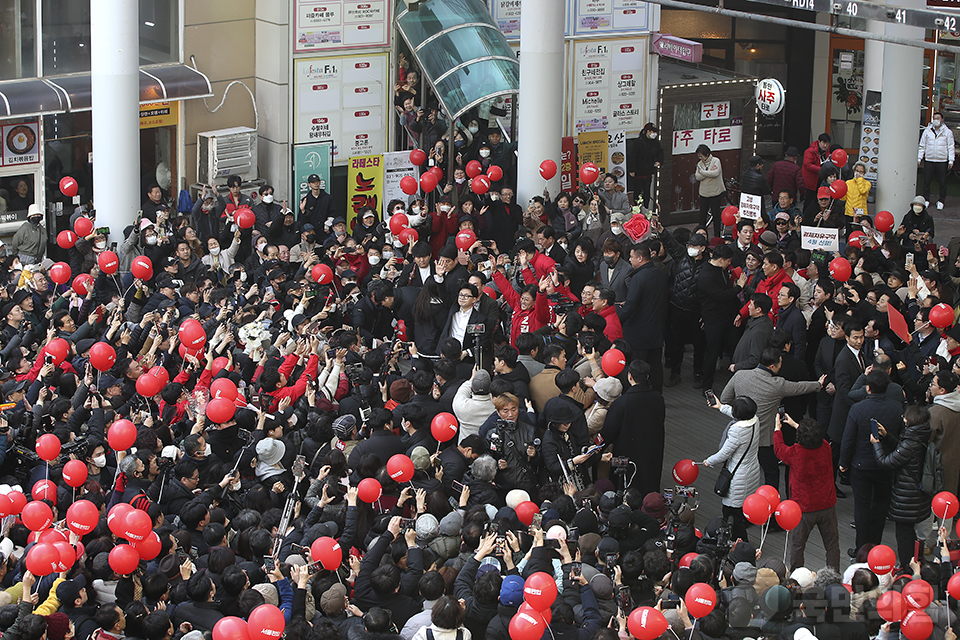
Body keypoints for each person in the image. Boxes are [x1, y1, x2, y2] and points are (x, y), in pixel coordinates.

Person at [720, 348, 824, 491]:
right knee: (771, 473)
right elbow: (799, 387)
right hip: (764, 439)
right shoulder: (777, 384)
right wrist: (818, 384)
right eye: (780, 363)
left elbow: (724, 399)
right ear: (772, 367)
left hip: (741, 435)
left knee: (739, 470)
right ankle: (770, 505)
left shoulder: (740, 375)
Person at [840, 369, 904, 555]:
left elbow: (848, 439)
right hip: (886, 464)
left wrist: (843, 462)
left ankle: (861, 548)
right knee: (881, 504)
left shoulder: (858, 408)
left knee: (862, 506)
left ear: (867, 388)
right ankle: (875, 544)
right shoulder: (897, 407)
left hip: (861, 464)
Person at [774, 414, 840, 570]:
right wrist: (795, 424)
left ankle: (797, 576)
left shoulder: (795, 453)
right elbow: (814, 438)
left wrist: (778, 429)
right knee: (831, 545)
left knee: (798, 546)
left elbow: (778, 449)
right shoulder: (825, 447)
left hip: (803, 509)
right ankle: (834, 574)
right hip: (827, 504)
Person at [871, 405, 933, 569]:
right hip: (917, 495)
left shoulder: (910, 443)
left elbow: (886, 462)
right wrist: (887, 436)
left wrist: (876, 443)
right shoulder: (921, 436)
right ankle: (916, 562)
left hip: (907, 498)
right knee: (911, 533)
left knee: (904, 535)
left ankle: (907, 567)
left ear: (911, 421)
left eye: (905, 417)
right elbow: (902, 451)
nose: (903, 419)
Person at [600, 360, 665, 495]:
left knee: (626, 486)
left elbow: (608, 431)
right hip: (652, 450)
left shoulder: (621, 403)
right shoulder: (657, 398)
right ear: (647, 377)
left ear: (630, 376)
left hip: (627, 453)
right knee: (649, 483)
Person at [702, 396, 761, 542]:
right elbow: (739, 415)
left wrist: (709, 461)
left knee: (731, 514)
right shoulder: (755, 420)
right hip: (752, 470)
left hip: (738, 477)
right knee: (743, 508)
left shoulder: (737, 431)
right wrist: (721, 407)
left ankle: (741, 544)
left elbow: (724, 454)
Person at [619, 240, 668, 392]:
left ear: (640, 258)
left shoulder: (638, 278)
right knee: (655, 364)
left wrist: (618, 317)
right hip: (657, 328)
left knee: (639, 366)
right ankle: (657, 393)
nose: (630, 260)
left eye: (632, 257)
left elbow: (631, 305)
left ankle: (641, 394)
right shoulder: (660, 273)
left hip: (639, 331)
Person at [918, 111, 955, 210]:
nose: (936, 120)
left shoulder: (947, 132)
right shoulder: (927, 131)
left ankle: (941, 200)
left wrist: (951, 160)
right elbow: (922, 146)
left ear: (942, 120)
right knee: (927, 181)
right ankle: (926, 199)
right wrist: (919, 158)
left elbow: (951, 146)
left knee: (942, 182)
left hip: (942, 160)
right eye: (934, 118)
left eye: (938, 118)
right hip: (929, 159)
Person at [628, 123, 663, 209]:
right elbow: (632, 156)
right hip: (638, 172)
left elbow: (660, 152)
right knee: (637, 192)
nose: (654, 134)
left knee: (647, 192)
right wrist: (632, 170)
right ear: (648, 131)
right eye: (653, 132)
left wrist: (659, 161)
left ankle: (646, 209)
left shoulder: (655, 142)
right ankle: (637, 209)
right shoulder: (638, 142)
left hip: (649, 171)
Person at [694, 144, 724, 237]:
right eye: (699, 156)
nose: (700, 158)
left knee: (716, 215)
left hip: (715, 192)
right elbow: (697, 177)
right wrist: (708, 173)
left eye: (701, 155)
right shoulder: (700, 164)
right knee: (702, 216)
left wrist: (703, 172)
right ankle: (701, 236)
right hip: (704, 193)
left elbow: (715, 173)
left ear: (707, 154)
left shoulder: (716, 161)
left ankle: (717, 236)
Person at [802, 133, 831, 206]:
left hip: (820, 179)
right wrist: (822, 170)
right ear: (819, 141)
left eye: (827, 144)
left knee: (819, 200)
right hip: (811, 180)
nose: (825, 145)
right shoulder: (810, 151)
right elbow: (807, 165)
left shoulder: (827, 152)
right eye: (824, 143)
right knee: (809, 200)